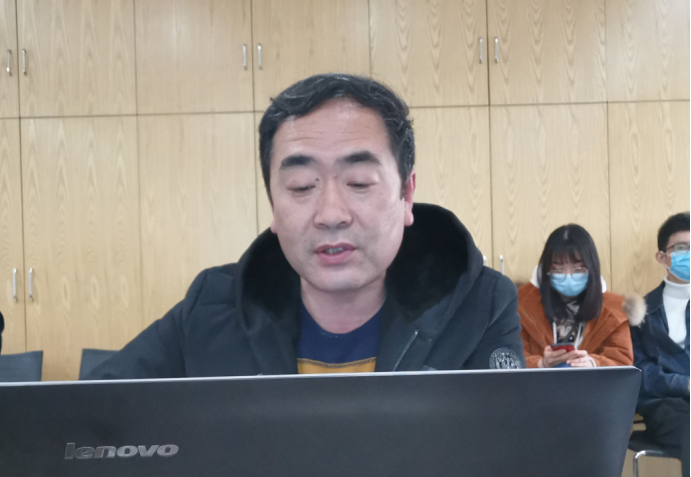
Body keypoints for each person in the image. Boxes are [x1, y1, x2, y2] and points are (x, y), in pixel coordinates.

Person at [87, 74, 525, 379]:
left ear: (407, 193)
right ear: (272, 203)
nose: (331, 213)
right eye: (301, 186)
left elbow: (511, 448)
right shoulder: (210, 308)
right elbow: (86, 418)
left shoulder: (479, 305)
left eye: (358, 182)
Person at [517, 224, 643, 368]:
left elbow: (622, 361)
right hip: (539, 382)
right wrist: (541, 364)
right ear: (546, 269)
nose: (568, 276)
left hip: (594, 383)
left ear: (592, 268)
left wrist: (593, 364)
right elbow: (512, 358)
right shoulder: (522, 304)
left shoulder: (613, 310)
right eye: (558, 270)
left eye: (578, 269)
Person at [631, 212, 689, 477]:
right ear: (662, 257)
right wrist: (684, 384)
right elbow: (641, 373)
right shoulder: (641, 312)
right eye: (682, 248)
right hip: (666, 405)